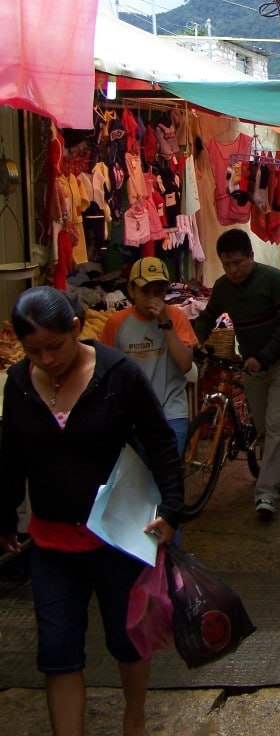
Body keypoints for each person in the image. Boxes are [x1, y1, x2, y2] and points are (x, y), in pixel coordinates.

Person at [0, 286, 182, 736]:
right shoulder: (20, 385)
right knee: (58, 651)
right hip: (51, 543)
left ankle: (134, 720)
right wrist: (4, 517)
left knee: (127, 639)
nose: (45, 360)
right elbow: (11, 458)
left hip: (118, 537)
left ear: (76, 330)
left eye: (54, 346)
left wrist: (173, 510)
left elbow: (160, 441)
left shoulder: (117, 373)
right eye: (33, 350)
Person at [193, 228, 280, 520]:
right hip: (253, 367)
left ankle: (265, 495)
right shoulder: (223, 287)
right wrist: (199, 340)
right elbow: (206, 317)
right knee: (267, 430)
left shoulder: (273, 279)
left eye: (238, 262)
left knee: (276, 426)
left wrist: (263, 357)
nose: (233, 270)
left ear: (252, 257)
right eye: (227, 264)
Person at [101, 257, 197, 458]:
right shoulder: (116, 323)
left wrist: (166, 324)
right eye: (145, 291)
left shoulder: (176, 317)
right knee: (137, 482)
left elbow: (185, 364)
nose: (152, 299)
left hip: (171, 412)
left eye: (159, 292)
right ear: (131, 290)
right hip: (131, 417)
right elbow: (105, 371)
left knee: (167, 478)